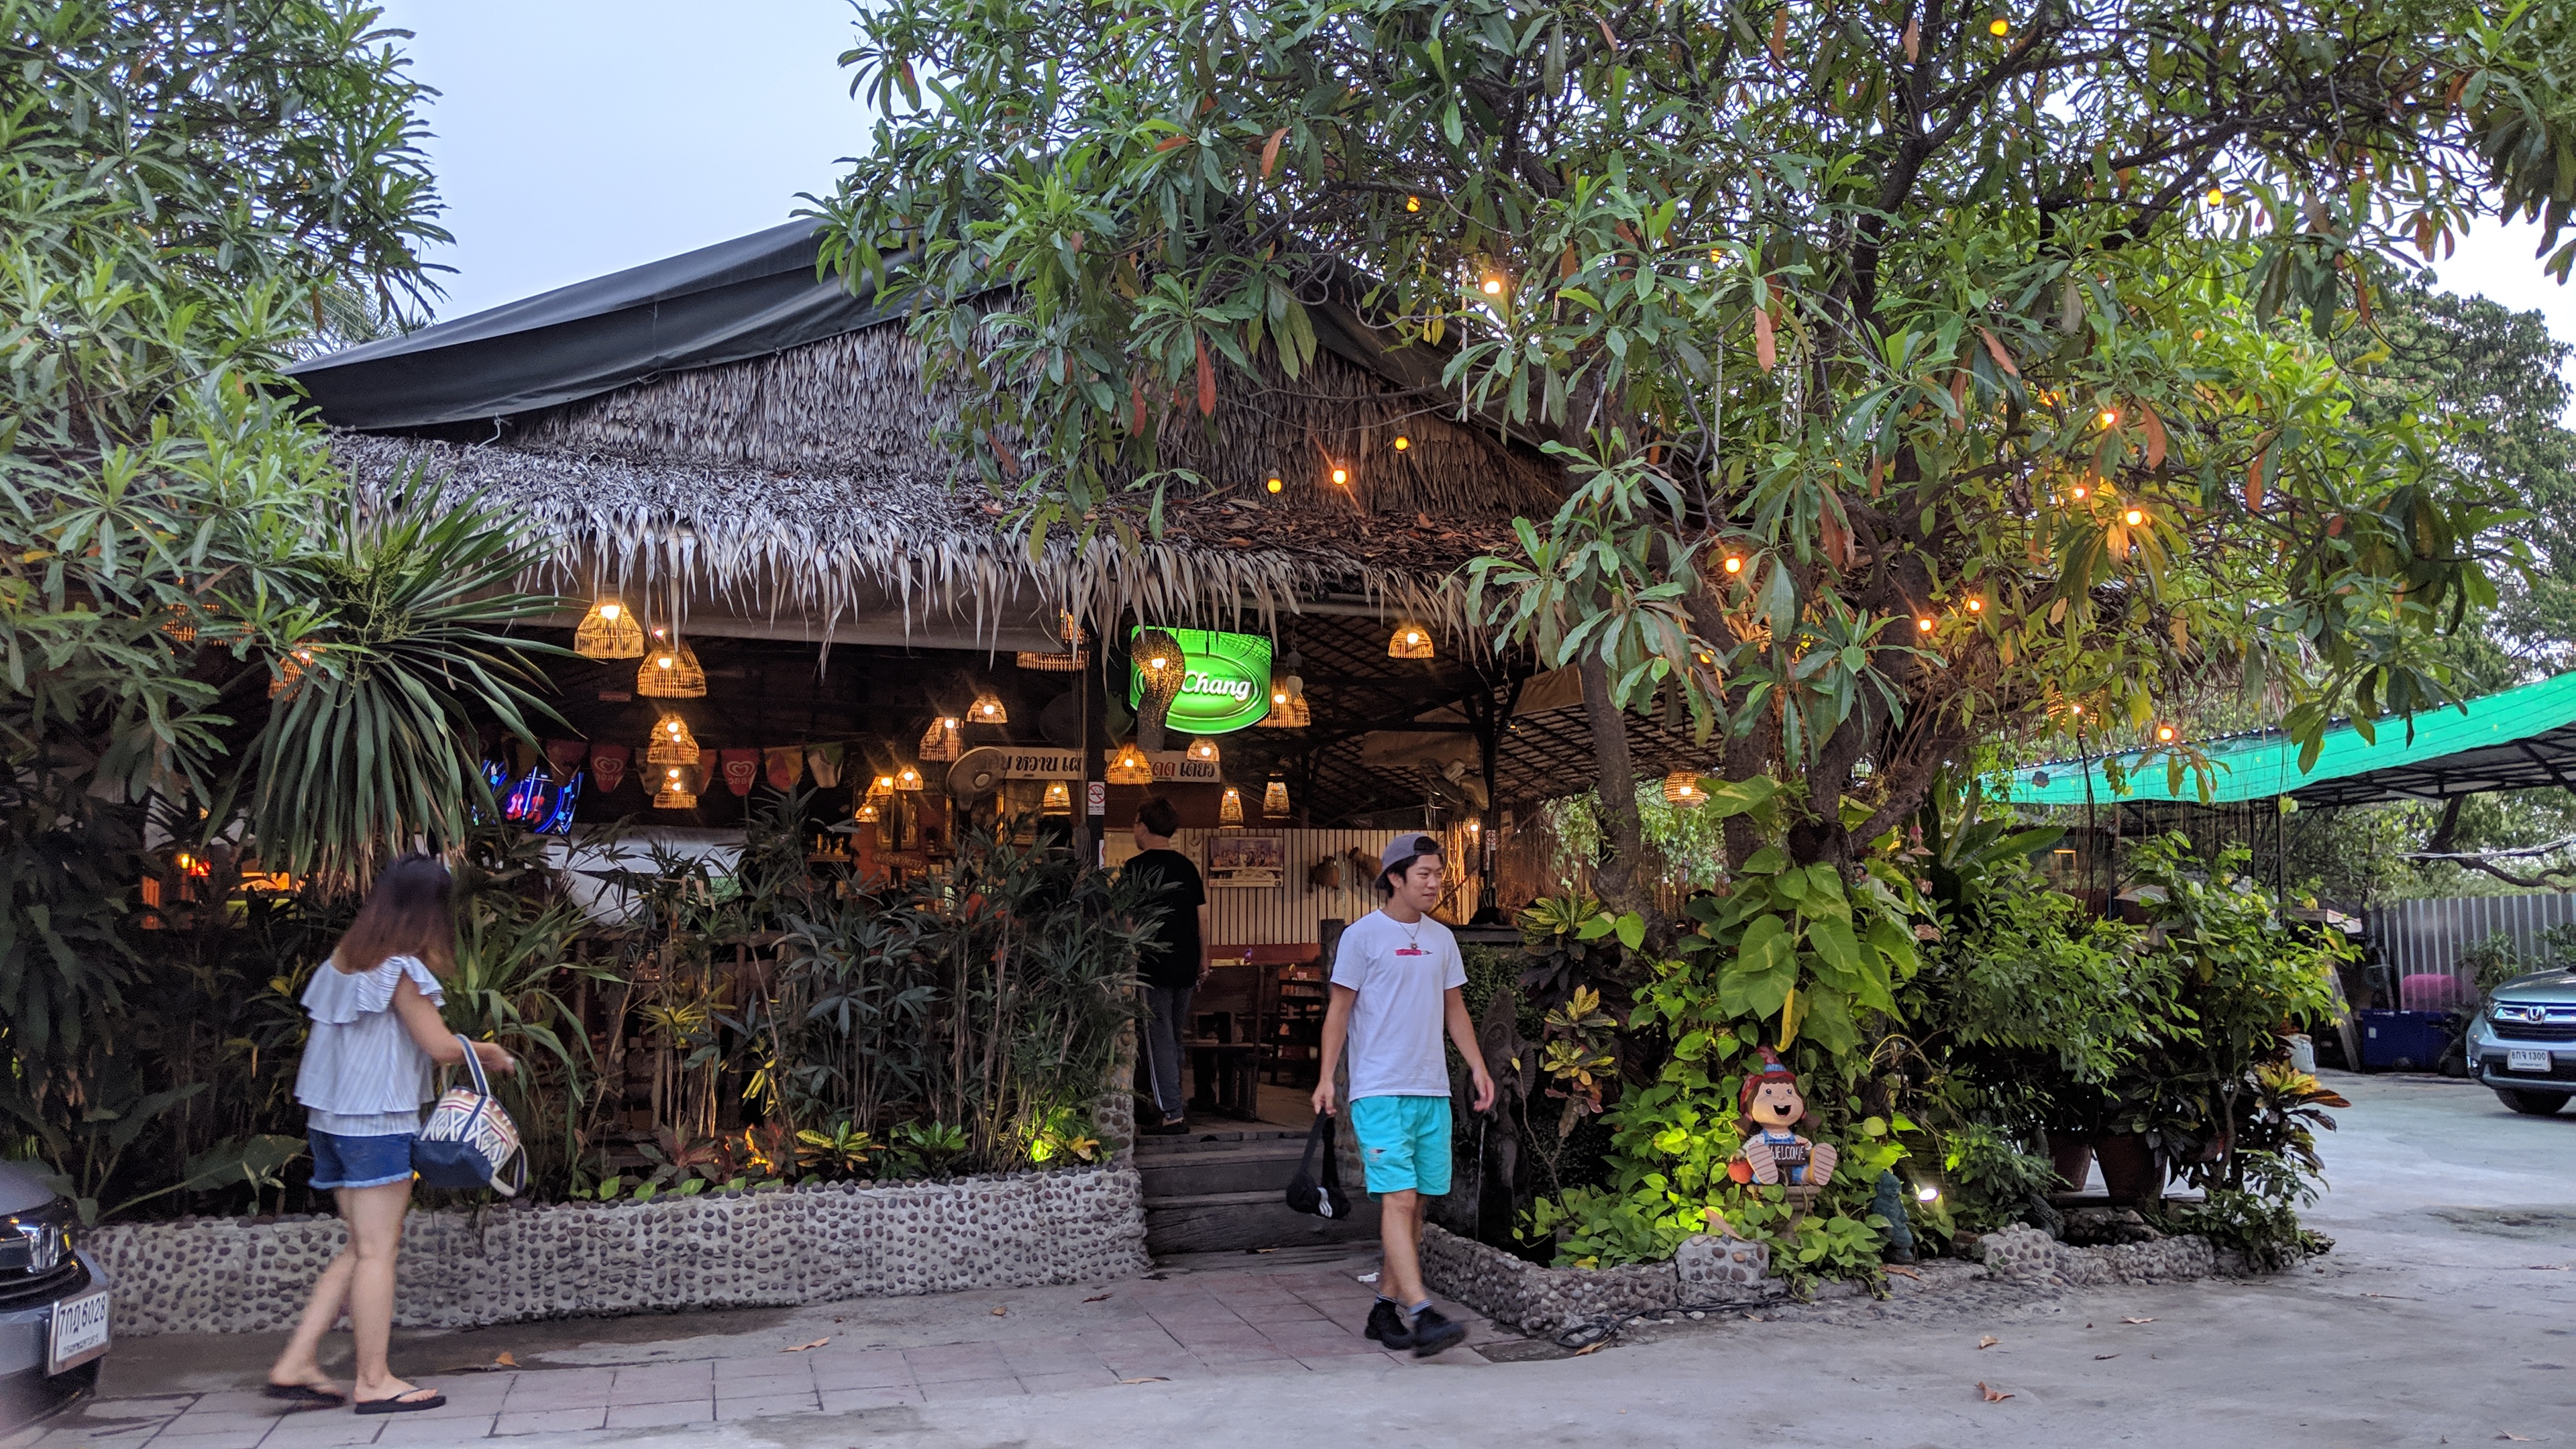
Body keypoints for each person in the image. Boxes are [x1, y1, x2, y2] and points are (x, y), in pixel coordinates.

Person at [266, 855, 515, 1414]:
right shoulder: (399, 969)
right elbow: (441, 1046)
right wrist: (489, 1052)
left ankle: (297, 1361)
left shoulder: (341, 962)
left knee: (359, 1247)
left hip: (329, 1123)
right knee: (379, 1251)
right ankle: (373, 1380)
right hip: (376, 1124)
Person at [1311, 833, 1495, 1357]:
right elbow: (1339, 1012)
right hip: (1379, 1089)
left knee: (1416, 1208)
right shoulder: (1362, 937)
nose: (1435, 883)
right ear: (1395, 878)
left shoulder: (1442, 939)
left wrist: (1477, 1067)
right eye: (1425, 875)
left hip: (1430, 1088)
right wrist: (1327, 1078)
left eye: (1437, 874)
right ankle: (1422, 1310)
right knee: (1399, 1198)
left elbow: (1454, 1009)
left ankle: (1384, 1308)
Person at [1124, 796, 1208, 1135]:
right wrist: (1205, 959)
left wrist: (1128, 954)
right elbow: (1202, 917)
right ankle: (1170, 1105)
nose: (1134, 828)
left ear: (1143, 826)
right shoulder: (1187, 867)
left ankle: (1172, 1112)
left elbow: (1128, 921)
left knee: (1158, 1037)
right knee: (1173, 1036)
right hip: (1187, 962)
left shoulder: (1135, 868)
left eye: (1134, 823)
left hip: (1152, 962)